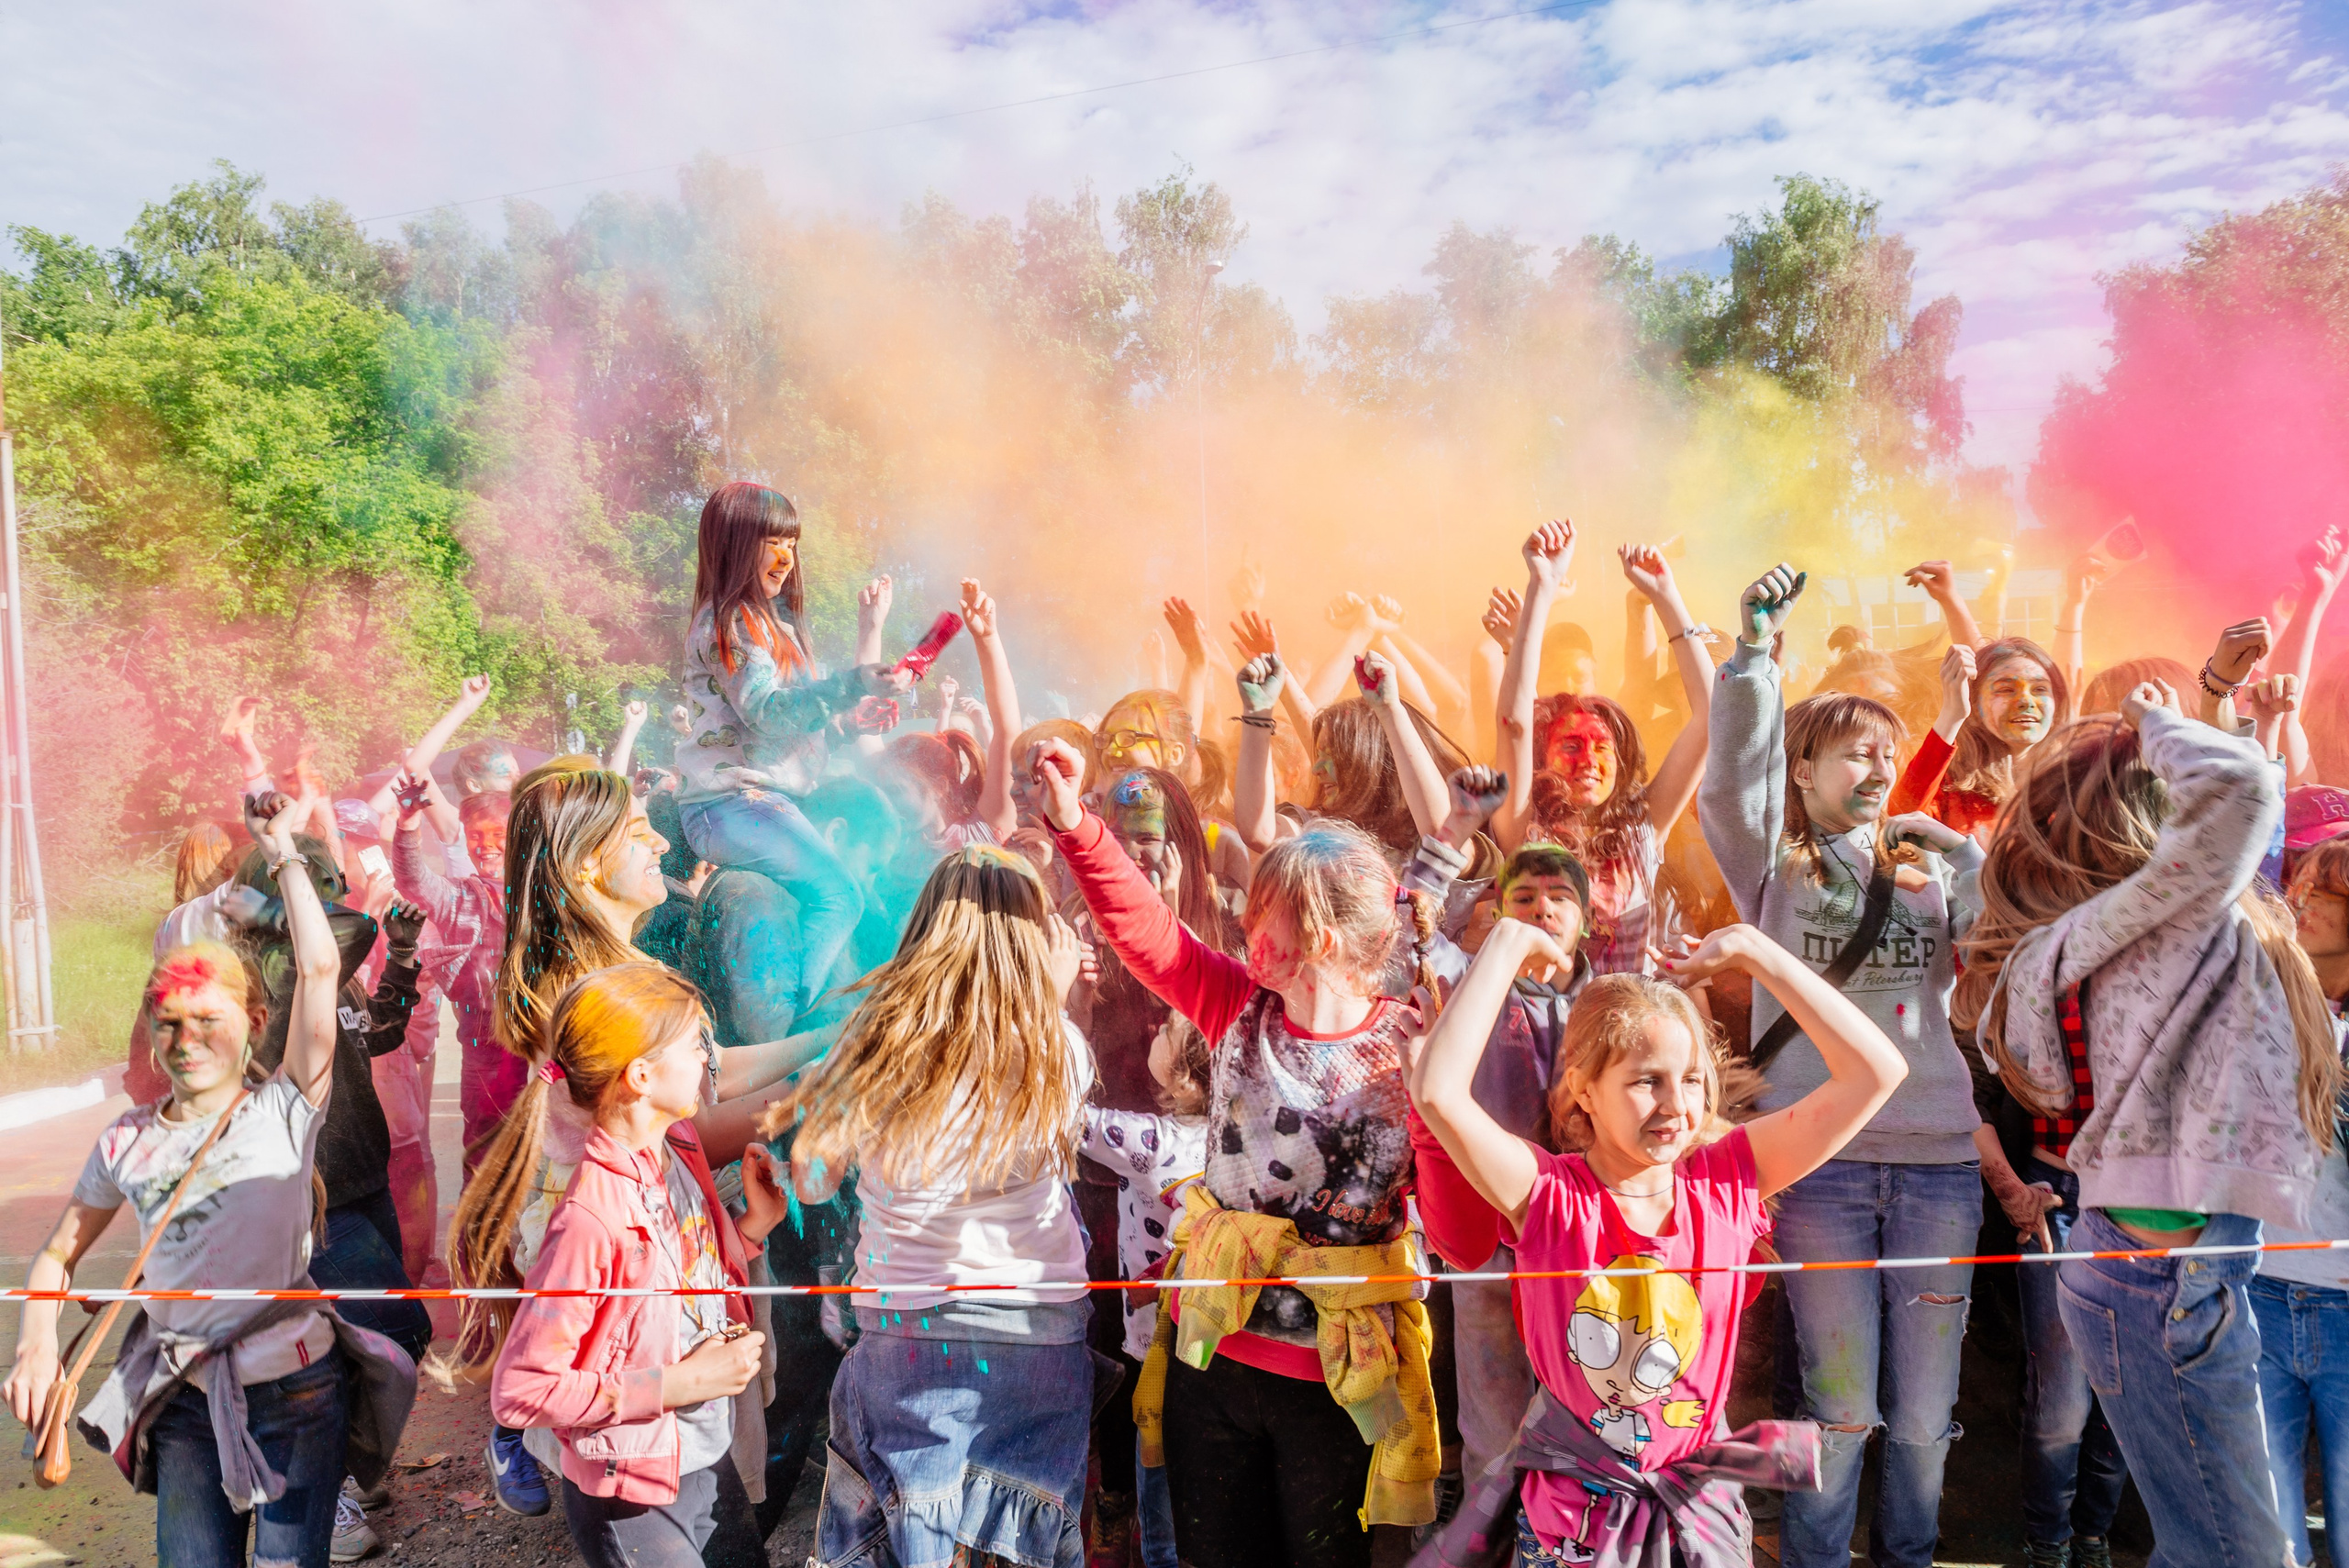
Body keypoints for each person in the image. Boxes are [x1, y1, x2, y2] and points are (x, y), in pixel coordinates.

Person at [1956, 679, 2342, 1568]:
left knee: (2213, 1545)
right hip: (2165, 1272)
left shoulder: (2069, 952)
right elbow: (2245, 785)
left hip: (2155, 1263)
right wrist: (2156, 719)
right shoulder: (2154, 924)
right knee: (2236, 1554)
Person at [1034, 734, 1442, 1568]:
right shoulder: (1237, 1006)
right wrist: (1075, 822)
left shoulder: (1412, 1051)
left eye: (1268, 913)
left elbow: (1459, 1216)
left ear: (1323, 934)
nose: (1249, 926)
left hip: (1337, 1382)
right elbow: (1148, 933)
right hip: (1210, 1359)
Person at [1409, 912, 1910, 1566]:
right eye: (1648, 1079)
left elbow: (1877, 1070)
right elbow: (1438, 1093)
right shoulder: (1548, 1195)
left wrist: (1760, 951)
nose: (1677, 1103)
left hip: (1697, 1522)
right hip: (1571, 1529)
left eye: (1693, 1079)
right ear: (1584, 1090)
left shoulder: (1729, 1179)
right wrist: (1505, 943)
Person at [4, 794, 416, 1568]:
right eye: (169, 1022)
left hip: (300, 1398)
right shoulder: (127, 1140)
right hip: (186, 1405)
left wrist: (281, 847)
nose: (187, 1040)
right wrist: (33, 1346)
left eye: (208, 1020)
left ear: (254, 1023)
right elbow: (58, 1254)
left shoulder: (289, 1110)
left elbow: (322, 962)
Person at [1696, 563, 1987, 1568]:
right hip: (1819, 1165)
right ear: (1804, 769)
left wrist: (1968, 862)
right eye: (1851, 751)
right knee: (1846, 1405)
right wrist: (1753, 656)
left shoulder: (1930, 869)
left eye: (1886, 751)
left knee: (1923, 1415)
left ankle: (1906, 1555)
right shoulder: (1773, 870)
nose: (1875, 764)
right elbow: (1730, 785)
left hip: (1941, 1164)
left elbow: (1995, 972)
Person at [785, 844, 1102, 1568]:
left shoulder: (874, 1043)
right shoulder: (1062, 1046)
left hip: (909, 1328)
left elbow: (810, 1181)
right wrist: (1048, 1006)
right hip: (1039, 1331)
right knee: (1018, 1538)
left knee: (913, 1532)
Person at [489, 962, 786, 1566]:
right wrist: (682, 1383)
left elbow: (679, 1277)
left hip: (702, 1454)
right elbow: (520, 1391)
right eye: (694, 1043)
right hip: (629, 1488)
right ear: (640, 1075)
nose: (709, 1058)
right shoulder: (590, 1216)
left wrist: (753, 1227)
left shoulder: (680, 1146)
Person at [674, 480, 910, 1029]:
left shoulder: (774, 625)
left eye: (793, 543)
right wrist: (847, 687)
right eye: (771, 542)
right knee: (839, 895)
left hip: (764, 801)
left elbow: (787, 732)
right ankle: (798, 1026)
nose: (786, 557)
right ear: (732, 545)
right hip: (730, 803)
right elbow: (766, 710)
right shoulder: (728, 621)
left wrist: (847, 723)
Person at [1494, 528, 1716, 976]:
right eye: (1571, 745)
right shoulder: (1524, 829)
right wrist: (1542, 586)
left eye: (1602, 748)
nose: (1589, 762)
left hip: (1629, 1029)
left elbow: (1711, 716)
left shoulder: (1642, 828)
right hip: (1547, 1033)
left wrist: (1666, 596)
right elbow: (1514, 723)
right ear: (1542, 755)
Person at [1080, 1014, 1214, 1568]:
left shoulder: (1154, 1144)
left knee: (1156, 1478)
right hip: (1214, 1343)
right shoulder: (1233, 1137)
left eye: (1169, 1031)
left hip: (1154, 1348)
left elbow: (1063, 1115)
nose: (1156, 1022)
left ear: (1183, 1080)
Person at [2258, 835, 2349, 1568]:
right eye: (2304, 886)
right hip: (2254, 1288)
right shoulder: (2258, 1001)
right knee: (2267, 1535)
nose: (2304, 902)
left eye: (2329, 894)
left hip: (2346, 1303)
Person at [393, 781, 512, 1174]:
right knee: (484, 1167)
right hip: (486, 1057)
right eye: (476, 835)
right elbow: (413, 881)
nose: (486, 845)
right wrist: (408, 821)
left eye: (499, 834)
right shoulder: (461, 897)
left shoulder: (545, 895)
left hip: (543, 1053)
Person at [1889, 637, 2070, 841]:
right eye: (2005, 690)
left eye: (2040, 689)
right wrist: (1951, 713)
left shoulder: (2078, 781)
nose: (2026, 702)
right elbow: (1900, 818)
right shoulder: (1953, 789)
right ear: (1975, 707)